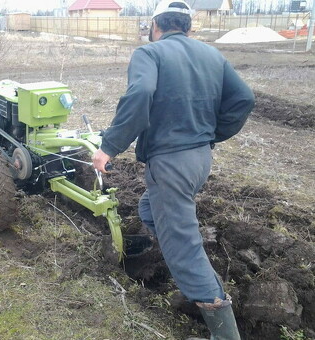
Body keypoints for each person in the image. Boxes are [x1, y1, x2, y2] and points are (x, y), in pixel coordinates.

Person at [92, 1, 255, 339]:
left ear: (156, 27)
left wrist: (110, 146)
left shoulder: (150, 54)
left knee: (183, 246)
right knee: (149, 207)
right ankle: (167, 244)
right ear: (189, 27)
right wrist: (212, 133)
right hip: (200, 159)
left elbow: (140, 93)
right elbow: (244, 99)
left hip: (171, 163)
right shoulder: (212, 56)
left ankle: (224, 332)